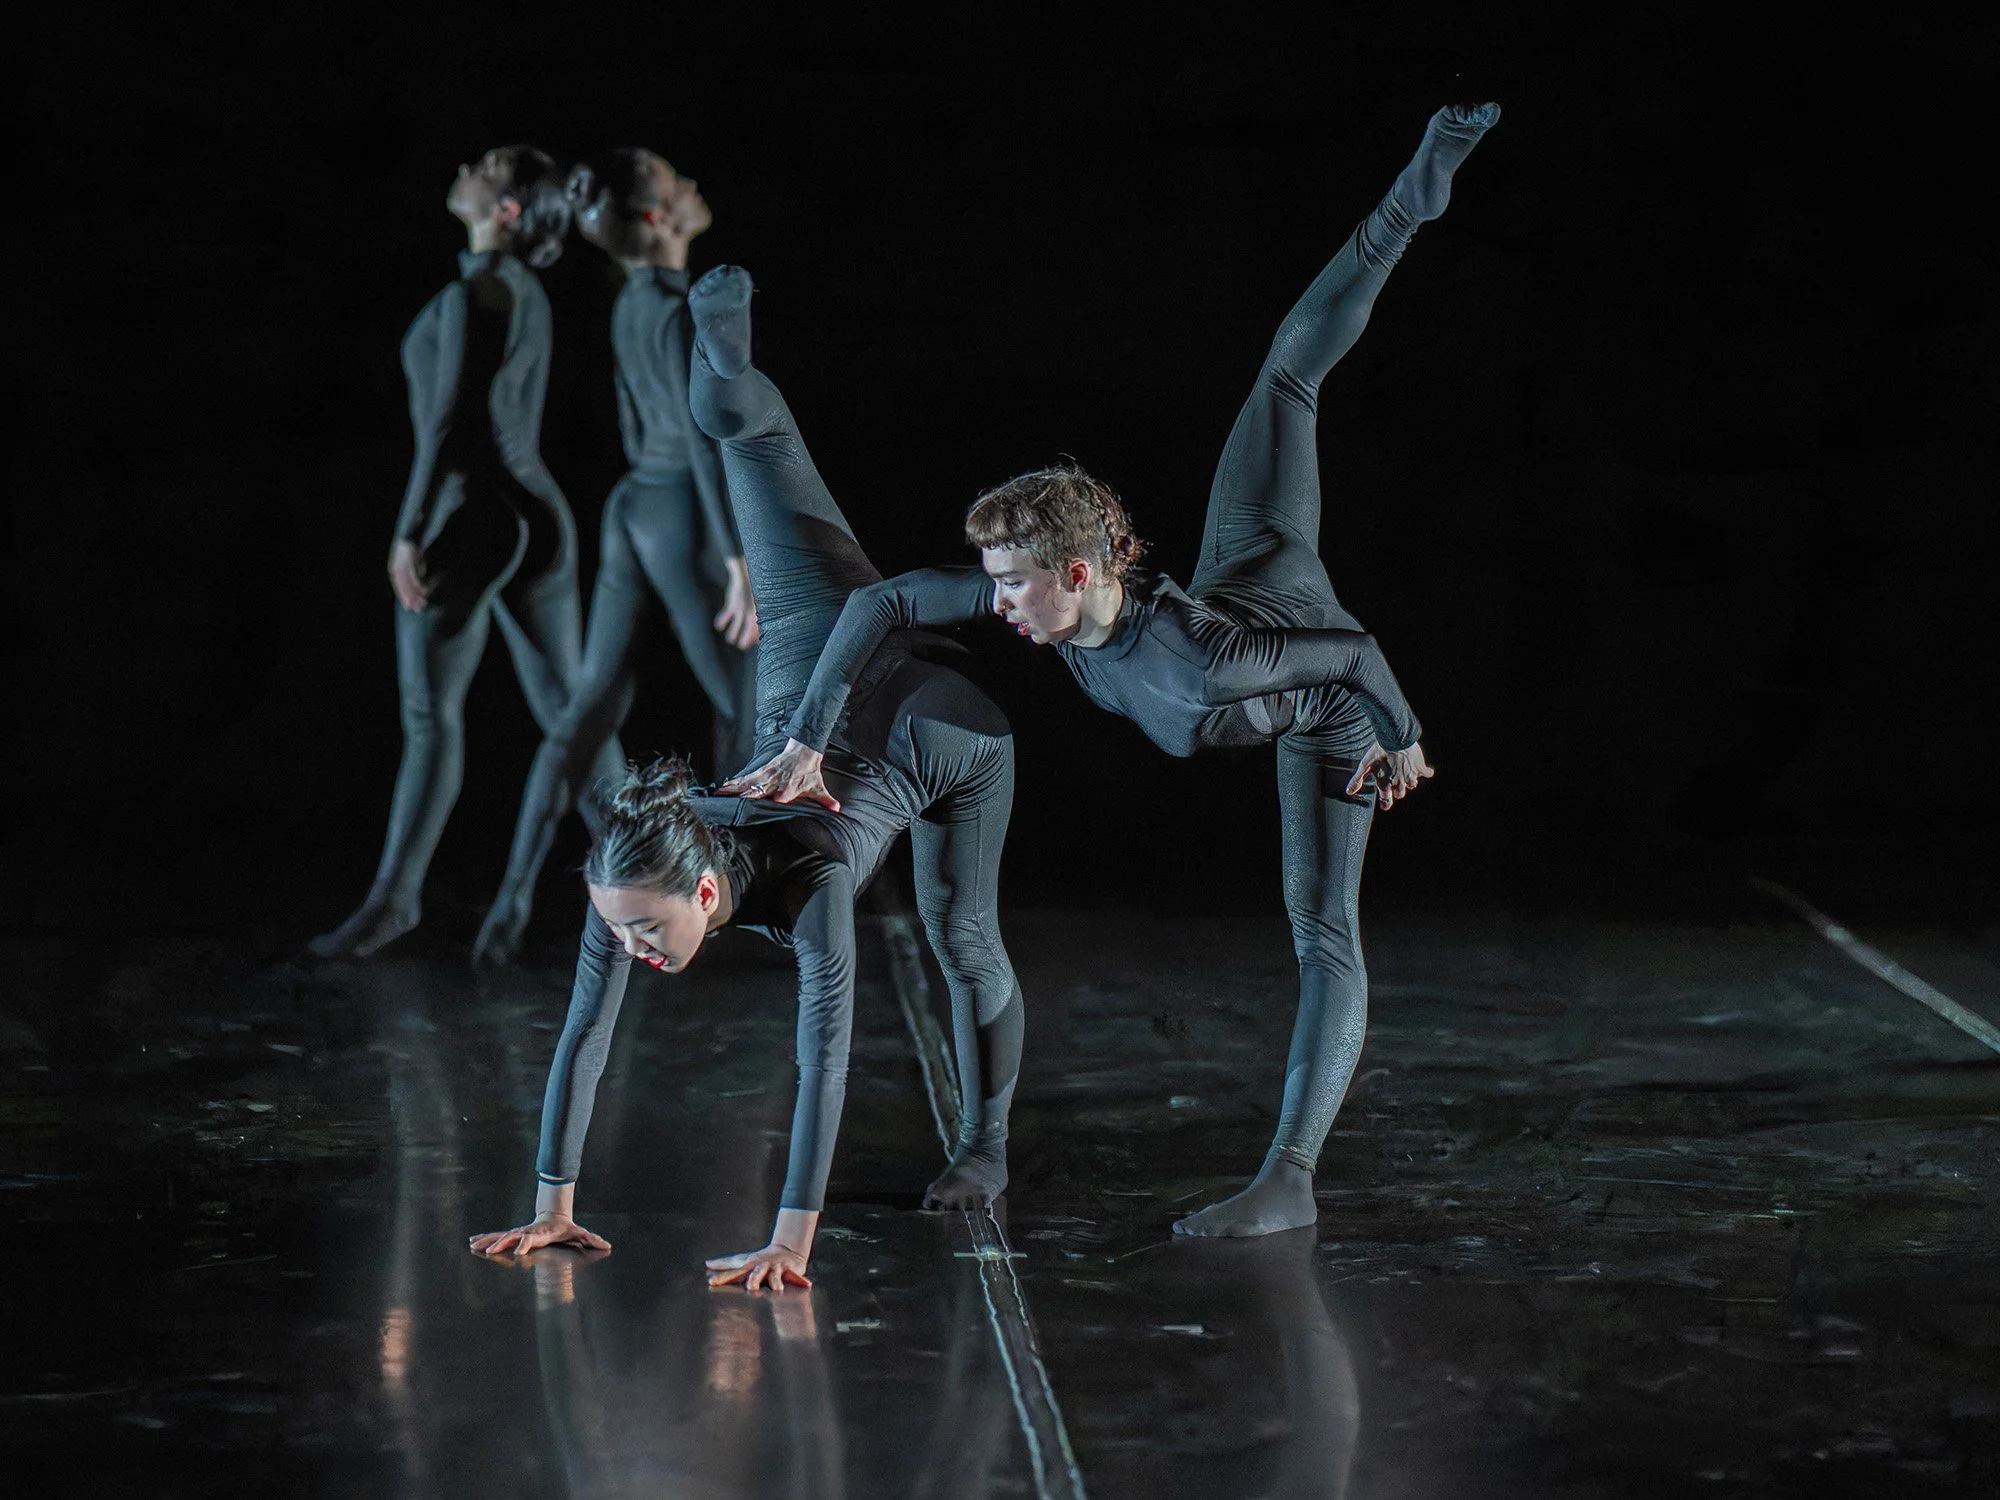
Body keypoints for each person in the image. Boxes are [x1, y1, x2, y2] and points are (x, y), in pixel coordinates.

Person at [727, 104, 1501, 1237]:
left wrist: (1405, 734)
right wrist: (802, 739)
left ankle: (1288, 1178)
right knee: (1288, 371)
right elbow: (884, 600)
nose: (995, 603)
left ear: (1080, 572)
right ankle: (1410, 202)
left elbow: (1354, 651)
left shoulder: (1197, 660)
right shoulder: (1060, 603)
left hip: (1325, 696)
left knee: (1321, 927)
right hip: (1252, 565)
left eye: (1014, 583)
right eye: (991, 579)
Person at [471, 266, 1024, 1291]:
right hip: (815, 675)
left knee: (961, 937)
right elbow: (584, 1031)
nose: (630, 948)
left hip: (942, 739)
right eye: (623, 930)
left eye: (643, 930)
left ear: (712, 893)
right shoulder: (633, 875)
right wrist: (551, 1208)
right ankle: (724, 369)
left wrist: (791, 1239)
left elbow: (824, 1065)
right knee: (749, 446)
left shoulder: (808, 891)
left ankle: (985, 1144)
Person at [311, 146, 599, 960]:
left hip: (473, 516)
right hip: (539, 514)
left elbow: (446, 423)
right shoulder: (525, 291)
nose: (471, 165)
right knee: (572, 716)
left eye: (490, 165)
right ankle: (662, 879)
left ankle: (394, 901)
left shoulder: (474, 291)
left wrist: (407, 532)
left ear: (505, 208)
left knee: (429, 716)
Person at [474, 149, 759, 968]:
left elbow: (644, 429)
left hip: (633, 502)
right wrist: (735, 555)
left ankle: (512, 902)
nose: (696, 184)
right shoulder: (672, 305)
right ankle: (731, 894)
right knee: (741, 705)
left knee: (588, 706)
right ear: (659, 219)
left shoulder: (634, 300)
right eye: (680, 182)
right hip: (678, 512)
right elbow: (703, 439)